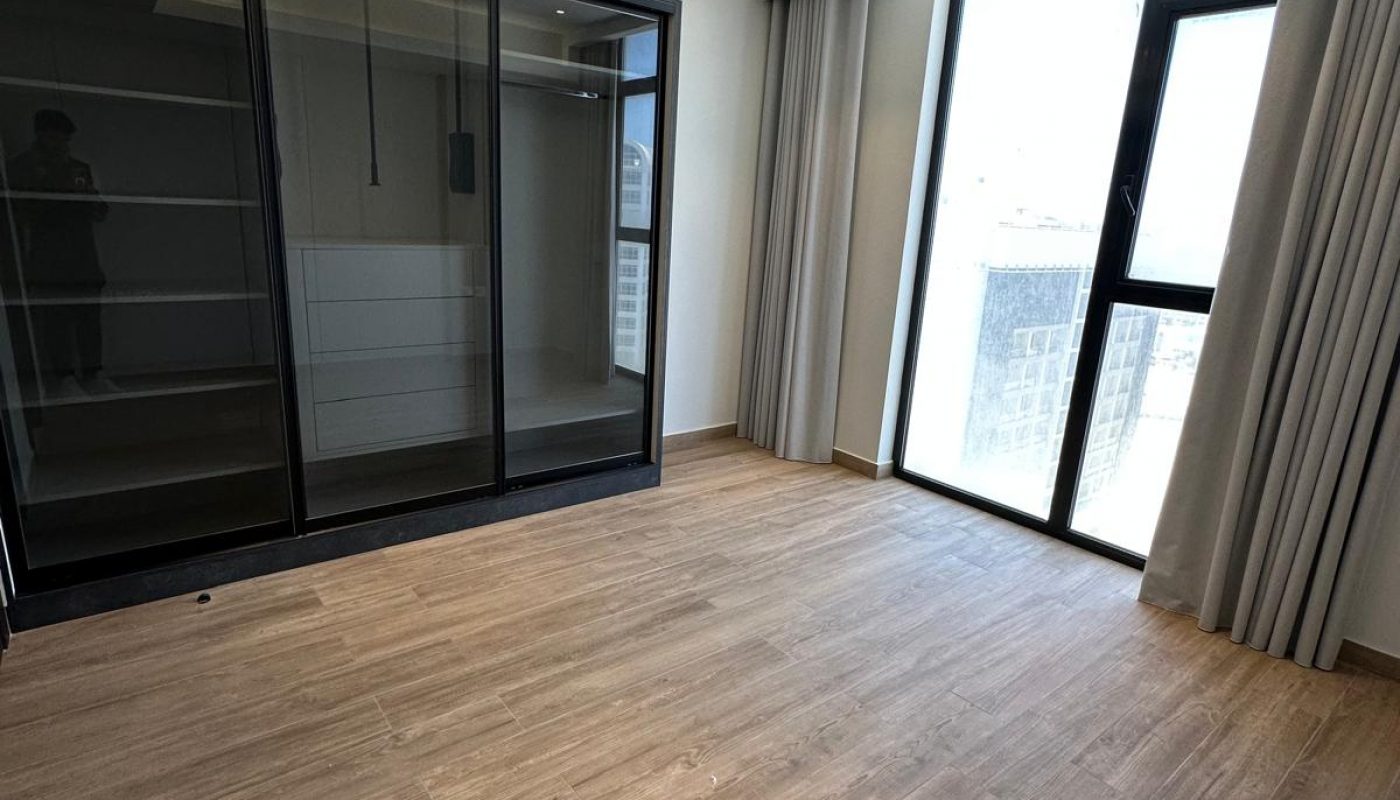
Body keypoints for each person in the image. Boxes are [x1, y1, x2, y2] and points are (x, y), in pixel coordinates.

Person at [5, 109, 112, 396]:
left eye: (65, 140)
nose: (62, 146)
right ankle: (64, 377)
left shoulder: (78, 168)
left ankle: (93, 373)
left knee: (89, 318)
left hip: (83, 256)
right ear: (41, 135)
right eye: (56, 139)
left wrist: (88, 197)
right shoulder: (21, 168)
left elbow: (100, 211)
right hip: (49, 258)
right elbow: (22, 213)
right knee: (56, 319)